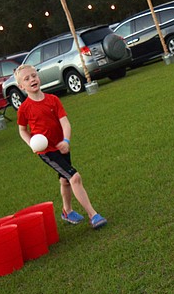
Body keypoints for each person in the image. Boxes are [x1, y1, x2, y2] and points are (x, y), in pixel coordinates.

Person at [14, 64, 107, 229]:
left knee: (65, 180)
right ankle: (93, 215)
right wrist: (32, 145)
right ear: (21, 86)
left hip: (61, 146)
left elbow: (65, 122)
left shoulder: (53, 100)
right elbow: (22, 130)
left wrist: (66, 141)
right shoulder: (24, 109)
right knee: (74, 177)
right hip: (47, 151)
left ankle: (67, 211)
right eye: (26, 79)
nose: (32, 80)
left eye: (34, 76)